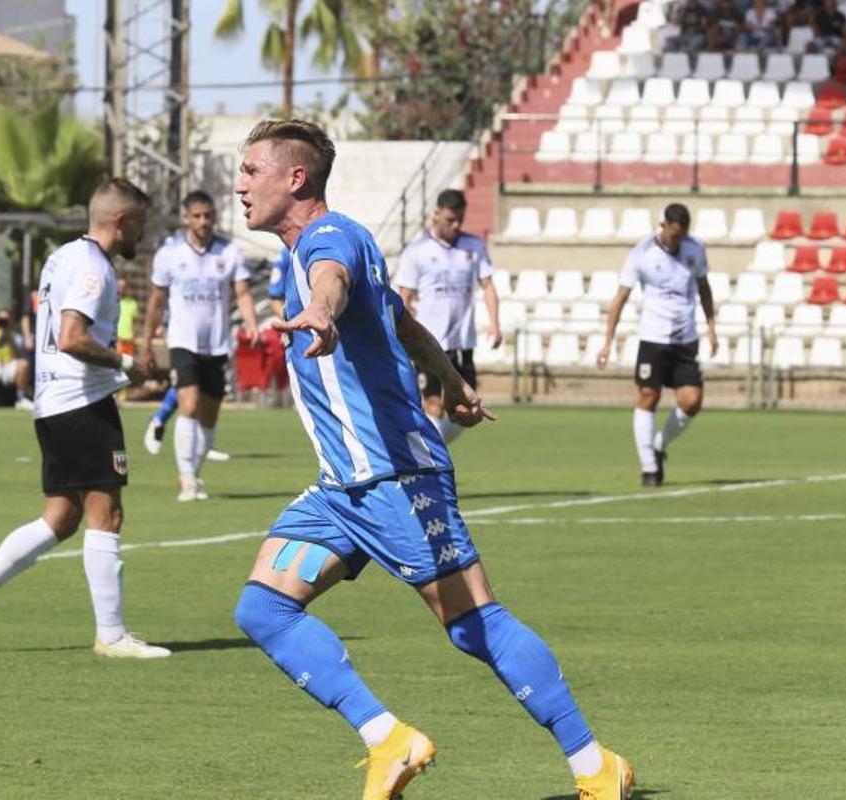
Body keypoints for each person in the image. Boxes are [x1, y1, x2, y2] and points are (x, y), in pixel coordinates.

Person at [232, 119, 633, 800]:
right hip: (342, 491)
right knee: (263, 609)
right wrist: (453, 384)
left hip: (395, 479)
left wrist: (322, 314)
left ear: (293, 178)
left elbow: (331, 285)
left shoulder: (329, 242)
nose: (240, 185)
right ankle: (389, 739)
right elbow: (404, 322)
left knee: (475, 622)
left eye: (250, 170)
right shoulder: (316, 249)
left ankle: (594, 765)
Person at [0, 177, 170, 660]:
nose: (141, 237)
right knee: (107, 513)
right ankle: (111, 635)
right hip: (81, 402)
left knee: (61, 518)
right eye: (140, 226)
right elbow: (70, 337)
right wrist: (127, 363)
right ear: (120, 221)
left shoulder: (63, 256)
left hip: (53, 403)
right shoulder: (93, 268)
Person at [138, 190, 259, 501]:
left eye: (208, 216)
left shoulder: (229, 252)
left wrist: (251, 323)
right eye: (197, 216)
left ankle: (195, 472)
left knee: (209, 417)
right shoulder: (170, 254)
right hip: (183, 343)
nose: (203, 221)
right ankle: (187, 479)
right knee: (188, 405)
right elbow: (156, 300)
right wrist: (147, 341)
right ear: (186, 219)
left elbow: (243, 293)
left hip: (218, 346)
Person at [595, 203, 716, 488]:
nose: (676, 241)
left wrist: (711, 326)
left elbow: (704, 287)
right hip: (653, 337)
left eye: (681, 235)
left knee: (692, 402)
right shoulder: (642, 254)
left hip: (685, 337)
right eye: (673, 234)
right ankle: (649, 465)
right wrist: (607, 341)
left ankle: (659, 444)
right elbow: (620, 298)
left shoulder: (694, 249)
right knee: (649, 395)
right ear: (663, 227)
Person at [395, 189, 501, 445]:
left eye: (459, 220)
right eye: (450, 220)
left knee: (468, 411)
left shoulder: (473, 247)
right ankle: (428, 462)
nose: (455, 226)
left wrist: (495, 324)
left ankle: (426, 453)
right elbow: (404, 295)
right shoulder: (417, 251)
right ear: (436, 216)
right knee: (432, 403)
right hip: (429, 343)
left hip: (462, 343)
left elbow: (487, 285)